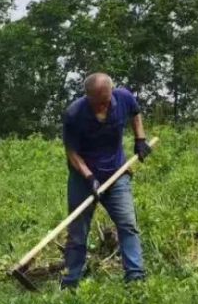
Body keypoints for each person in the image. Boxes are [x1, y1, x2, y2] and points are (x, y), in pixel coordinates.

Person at [61, 73, 151, 288]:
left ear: (111, 92)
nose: (102, 106)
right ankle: (71, 280)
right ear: (87, 96)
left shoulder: (124, 98)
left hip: (116, 174)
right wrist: (89, 177)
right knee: (77, 231)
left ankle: (135, 277)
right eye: (96, 101)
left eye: (105, 100)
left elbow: (135, 113)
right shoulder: (74, 113)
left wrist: (140, 139)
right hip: (83, 178)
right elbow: (71, 152)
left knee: (127, 224)